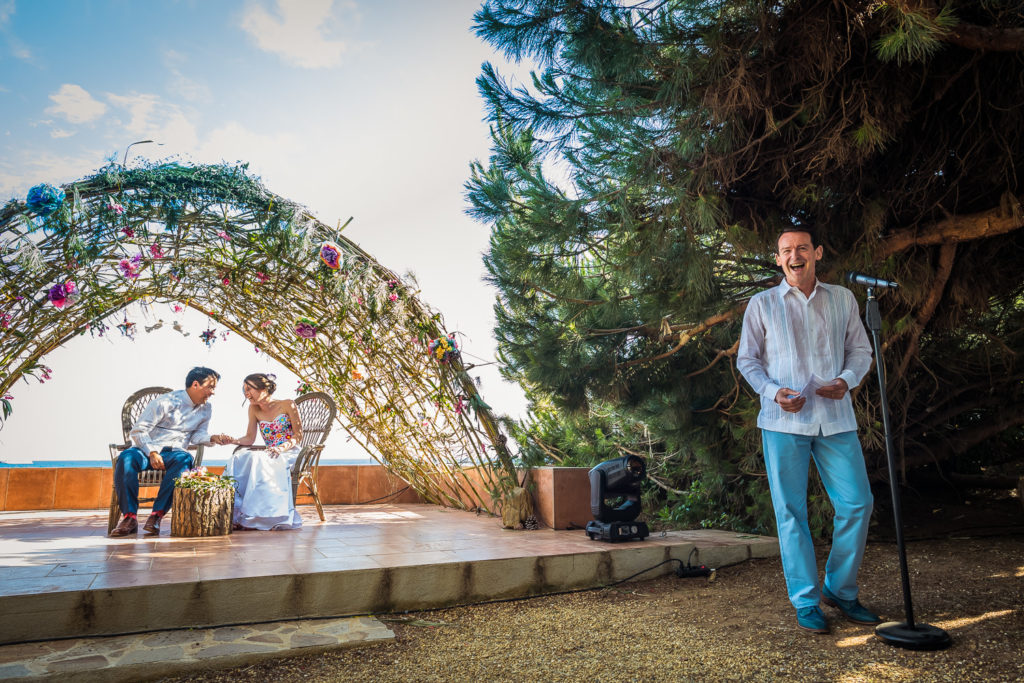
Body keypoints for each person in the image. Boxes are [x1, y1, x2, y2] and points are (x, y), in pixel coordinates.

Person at [736, 228, 881, 634]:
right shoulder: (761, 304)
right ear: (778, 259)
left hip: (835, 418)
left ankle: (840, 589)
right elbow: (748, 361)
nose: (794, 255)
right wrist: (772, 392)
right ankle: (805, 599)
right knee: (791, 513)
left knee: (857, 503)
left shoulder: (844, 298)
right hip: (783, 422)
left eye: (802, 248)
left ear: (817, 252)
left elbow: (861, 350)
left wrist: (848, 379)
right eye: (786, 251)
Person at [110, 367, 233, 538]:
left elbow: (197, 435)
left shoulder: (206, 409)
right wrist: (152, 452)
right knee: (125, 458)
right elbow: (139, 431)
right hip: (145, 451)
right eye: (210, 387)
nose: (212, 392)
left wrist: (213, 437)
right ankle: (129, 518)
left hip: (174, 454)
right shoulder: (165, 402)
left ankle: (156, 516)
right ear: (196, 384)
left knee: (185, 460)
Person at [224, 373, 303, 530]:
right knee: (239, 457)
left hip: (289, 451)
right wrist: (233, 440)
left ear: (263, 388)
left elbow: (298, 435)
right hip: (270, 453)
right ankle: (238, 512)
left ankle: (269, 516)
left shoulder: (287, 404)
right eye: (244, 390)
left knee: (262, 460)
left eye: (249, 389)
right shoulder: (253, 409)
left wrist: (281, 448)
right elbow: (249, 438)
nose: (246, 394)